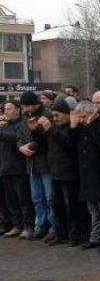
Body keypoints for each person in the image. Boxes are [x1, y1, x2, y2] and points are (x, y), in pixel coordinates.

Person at [70, 100, 100, 250]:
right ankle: (95, 236)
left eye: (83, 117)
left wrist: (90, 124)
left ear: (91, 113)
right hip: (86, 173)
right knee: (92, 209)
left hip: (99, 172)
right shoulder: (82, 127)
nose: (81, 120)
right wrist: (73, 126)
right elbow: (72, 144)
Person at [17, 91, 57, 241]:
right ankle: (40, 226)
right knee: (37, 198)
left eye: (27, 106)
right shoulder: (25, 118)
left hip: (45, 163)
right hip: (32, 164)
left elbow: (46, 140)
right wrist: (21, 147)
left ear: (34, 104)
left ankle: (53, 227)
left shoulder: (46, 115)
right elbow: (20, 136)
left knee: (49, 198)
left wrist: (30, 147)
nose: (25, 109)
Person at [43, 98, 83, 246]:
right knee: (56, 205)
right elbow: (45, 143)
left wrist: (51, 130)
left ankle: (75, 235)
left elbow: (69, 143)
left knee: (71, 206)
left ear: (67, 114)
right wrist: (36, 131)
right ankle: (61, 233)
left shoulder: (72, 128)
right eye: (53, 115)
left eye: (58, 114)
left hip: (69, 174)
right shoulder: (54, 128)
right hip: (55, 172)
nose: (55, 118)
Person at [0, 101, 34, 239]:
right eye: (4, 109)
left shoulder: (23, 124)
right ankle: (16, 225)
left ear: (18, 110)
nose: (5, 111)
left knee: (24, 200)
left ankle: (28, 226)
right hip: (5, 168)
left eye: (9, 109)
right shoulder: (4, 126)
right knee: (11, 201)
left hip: (19, 168)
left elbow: (17, 140)